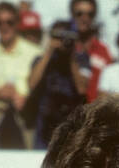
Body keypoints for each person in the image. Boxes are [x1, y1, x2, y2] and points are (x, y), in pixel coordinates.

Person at [0, 1, 42, 149]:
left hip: (24, 115)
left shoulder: (35, 53)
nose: (4, 27)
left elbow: (43, 90)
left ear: (17, 23)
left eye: (9, 22)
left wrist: (26, 99)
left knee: (28, 163)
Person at [27, 20, 90, 149]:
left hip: (69, 118)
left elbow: (82, 88)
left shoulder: (81, 59)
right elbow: (32, 84)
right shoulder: (41, 60)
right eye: (59, 37)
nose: (63, 41)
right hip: (45, 119)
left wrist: (71, 56)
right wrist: (49, 51)